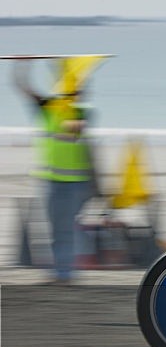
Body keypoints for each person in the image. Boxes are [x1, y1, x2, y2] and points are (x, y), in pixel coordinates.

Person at [14, 56, 104, 284]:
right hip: (51, 181)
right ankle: (61, 272)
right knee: (57, 229)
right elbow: (21, 85)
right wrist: (22, 64)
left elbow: (77, 127)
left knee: (65, 229)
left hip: (75, 183)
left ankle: (64, 272)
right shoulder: (47, 108)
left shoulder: (81, 111)